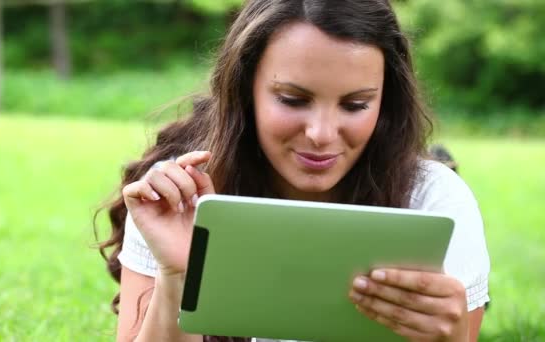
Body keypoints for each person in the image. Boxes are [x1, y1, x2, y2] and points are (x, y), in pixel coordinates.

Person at [96, 1, 490, 341]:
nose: (321, 134)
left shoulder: (435, 200)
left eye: (355, 105)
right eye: (293, 100)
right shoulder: (178, 195)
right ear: (246, 88)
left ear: (386, 101)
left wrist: (450, 336)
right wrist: (178, 276)